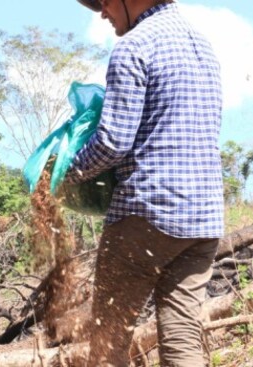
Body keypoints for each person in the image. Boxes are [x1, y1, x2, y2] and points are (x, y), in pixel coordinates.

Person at [69, 0, 223, 366]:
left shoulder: (134, 46)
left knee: (108, 342)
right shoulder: (203, 46)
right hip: (203, 222)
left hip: (147, 215)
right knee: (183, 341)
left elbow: (113, 141)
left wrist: (66, 174)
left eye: (105, 2)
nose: (102, 12)